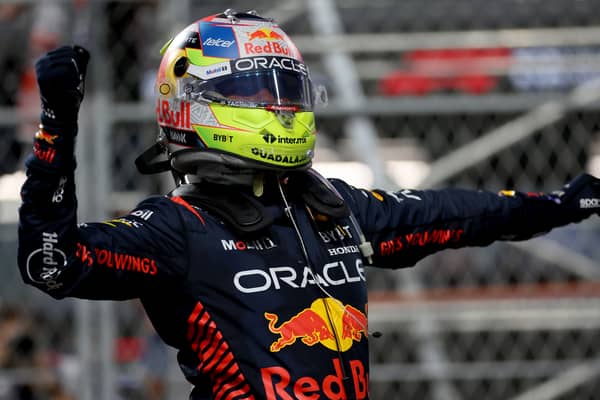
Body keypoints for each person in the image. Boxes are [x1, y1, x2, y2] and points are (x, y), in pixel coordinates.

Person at [18, 9, 600, 400]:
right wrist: (56, 130)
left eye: (285, 89)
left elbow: (457, 214)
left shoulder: (330, 207)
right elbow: (52, 263)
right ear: (196, 104)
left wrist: (559, 203)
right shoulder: (177, 227)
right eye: (255, 91)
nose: (279, 106)